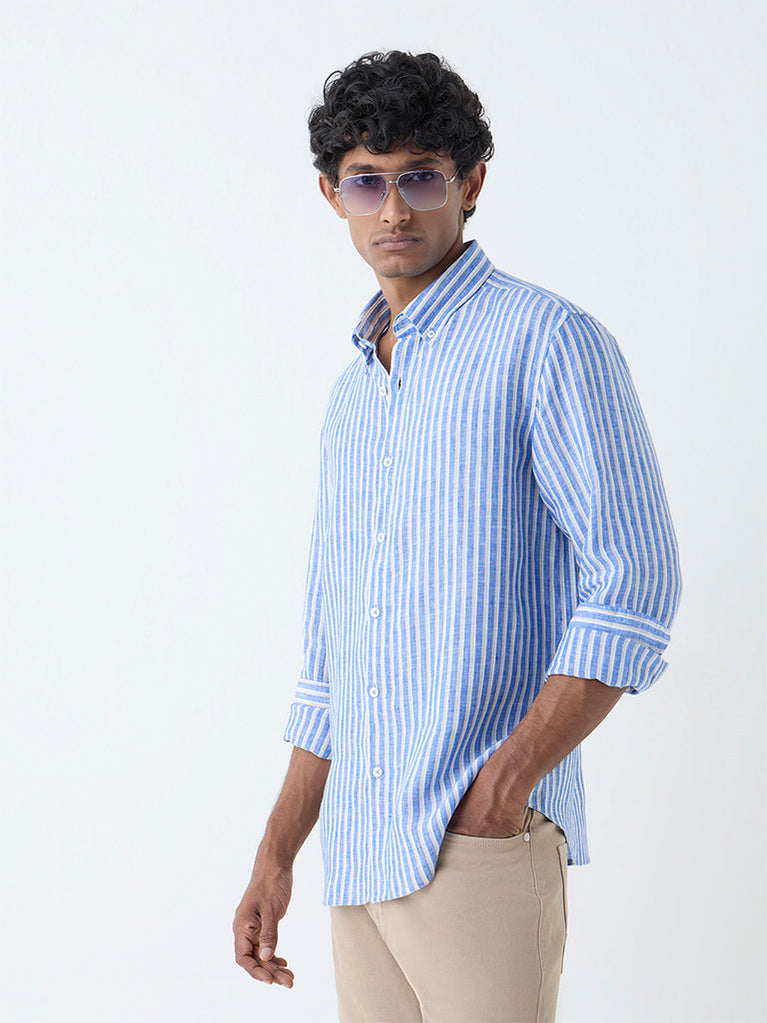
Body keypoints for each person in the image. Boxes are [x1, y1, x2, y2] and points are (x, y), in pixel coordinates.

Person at [233, 49, 682, 1022]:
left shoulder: (546, 342)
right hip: (358, 851)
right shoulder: (353, 396)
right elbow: (331, 655)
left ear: (470, 183)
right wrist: (277, 852)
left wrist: (500, 788)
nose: (393, 209)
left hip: (473, 839)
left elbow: (633, 585)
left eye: (421, 178)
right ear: (332, 195)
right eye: (367, 182)